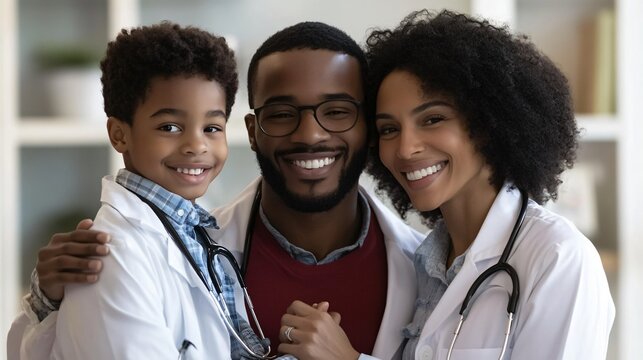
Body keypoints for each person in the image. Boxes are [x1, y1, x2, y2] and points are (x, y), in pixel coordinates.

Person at [8, 21, 424, 360]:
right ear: (252, 131)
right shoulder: (188, 246)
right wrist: (47, 303)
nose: (311, 135)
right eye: (281, 114)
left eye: (337, 112)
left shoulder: (429, 267)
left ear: (367, 125)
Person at [277, 9, 615, 360]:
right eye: (389, 129)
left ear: (487, 123)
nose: (406, 149)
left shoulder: (558, 258)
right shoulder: (421, 263)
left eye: (433, 119)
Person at [8, 21, 282, 359]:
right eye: (170, 127)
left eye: (212, 127)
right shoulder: (111, 254)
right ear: (119, 134)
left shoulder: (196, 232)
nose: (197, 145)